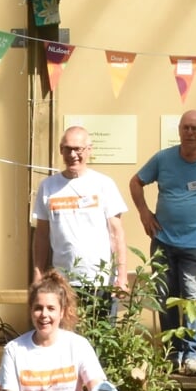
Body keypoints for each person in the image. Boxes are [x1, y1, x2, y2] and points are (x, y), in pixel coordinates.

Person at [129, 110, 196, 377]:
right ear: (179, 130)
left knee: (192, 297)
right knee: (166, 297)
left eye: (195, 128)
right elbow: (136, 182)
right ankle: (172, 354)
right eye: (186, 127)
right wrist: (144, 213)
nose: (190, 132)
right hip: (163, 240)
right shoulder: (163, 158)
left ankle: (192, 355)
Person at [31, 125, 128, 316]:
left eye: (78, 149)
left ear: (89, 150)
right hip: (62, 281)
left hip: (100, 279)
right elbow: (41, 235)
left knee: (101, 338)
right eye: (68, 149)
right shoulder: (48, 186)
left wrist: (122, 276)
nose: (73, 154)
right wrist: (38, 274)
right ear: (61, 150)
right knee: (66, 337)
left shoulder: (103, 184)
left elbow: (116, 233)